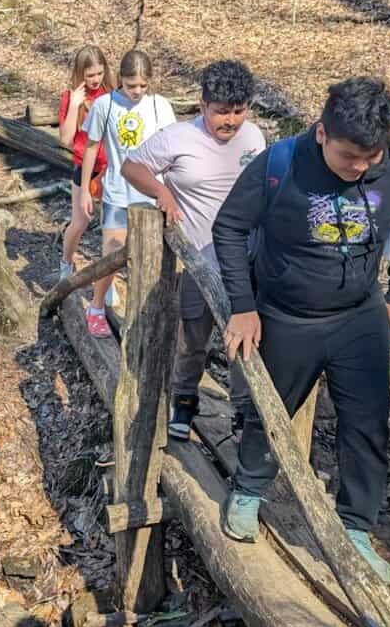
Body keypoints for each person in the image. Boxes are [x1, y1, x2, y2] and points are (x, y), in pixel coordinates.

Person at [212, 77, 390, 586]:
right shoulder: (280, 165)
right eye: (349, 156)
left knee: (367, 424)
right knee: (271, 409)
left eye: (371, 157)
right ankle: (249, 489)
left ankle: (355, 528)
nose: (360, 167)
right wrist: (243, 307)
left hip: (360, 314)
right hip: (287, 313)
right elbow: (229, 228)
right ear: (321, 132)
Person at [120, 60, 264, 441]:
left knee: (244, 340)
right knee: (192, 339)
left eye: (238, 111)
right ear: (202, 105)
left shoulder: (254, 138)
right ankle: (184, 400)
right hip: (198, 259)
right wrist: (162, 192)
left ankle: (243, 411)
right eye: (221, 112)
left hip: (245, 261)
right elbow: (131, 167)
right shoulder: (178, 138)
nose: (230, 121)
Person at [78, 50, 176, 337]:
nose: (137, 91)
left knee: (152, 261)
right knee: (112, 253)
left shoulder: (159, 106)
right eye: (132, 85)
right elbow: (92, 147)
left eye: (143, 85)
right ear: (121, 78)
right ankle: (96, 308)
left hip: (152, 195)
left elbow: (173, 150)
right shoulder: (105, 105)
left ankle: (146, 316)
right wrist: (84, 190)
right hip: (117, 193)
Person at [58, 46, 117, 280]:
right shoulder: (71, 97)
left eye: (99, 73)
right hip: (84, 168)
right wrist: (74, 105)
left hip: (109, 168)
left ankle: (108, 277)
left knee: (111, 225)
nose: (95, 79)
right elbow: (65, 139)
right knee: (80, 221)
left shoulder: (111, 93)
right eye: (90, 75)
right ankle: (66, 263)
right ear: (80, 73)